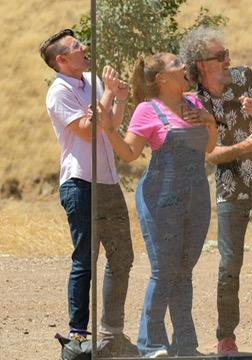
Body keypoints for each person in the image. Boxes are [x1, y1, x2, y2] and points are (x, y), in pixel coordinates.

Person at [98, 52, 217, 357]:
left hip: (196, 197)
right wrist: (109, 128)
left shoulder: (195, 104)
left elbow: (209, 149)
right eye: (177, 64)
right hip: (160, 199)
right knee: (164, 270)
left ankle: (186, 345)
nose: (184, 66)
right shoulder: (146, 110)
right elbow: (128, 153)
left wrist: (210, 122)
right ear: (162, 78)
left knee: (184, 271)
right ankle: (150, 344)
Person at [179, 26, 252, 355]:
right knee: (230, 265)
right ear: (201, 64)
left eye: (227, 54)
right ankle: (225, 336)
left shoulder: (246, 77)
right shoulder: (195, 100)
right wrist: (241, 148)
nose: (228, 59)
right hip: (230, 189)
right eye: (220, 56)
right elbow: (208, 155)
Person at [40, 28, 136, 356]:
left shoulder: (92, 80)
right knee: (86, 259)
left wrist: (119, 96)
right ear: (61, 60)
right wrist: (108, 93)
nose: (84, 48)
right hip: (80, 184)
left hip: (108, 183)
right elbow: (86, 132)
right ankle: (78, 335)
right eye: (76, 46)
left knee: (122, 257)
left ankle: (112, 333)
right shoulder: (58, 92)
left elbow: (108, 127)